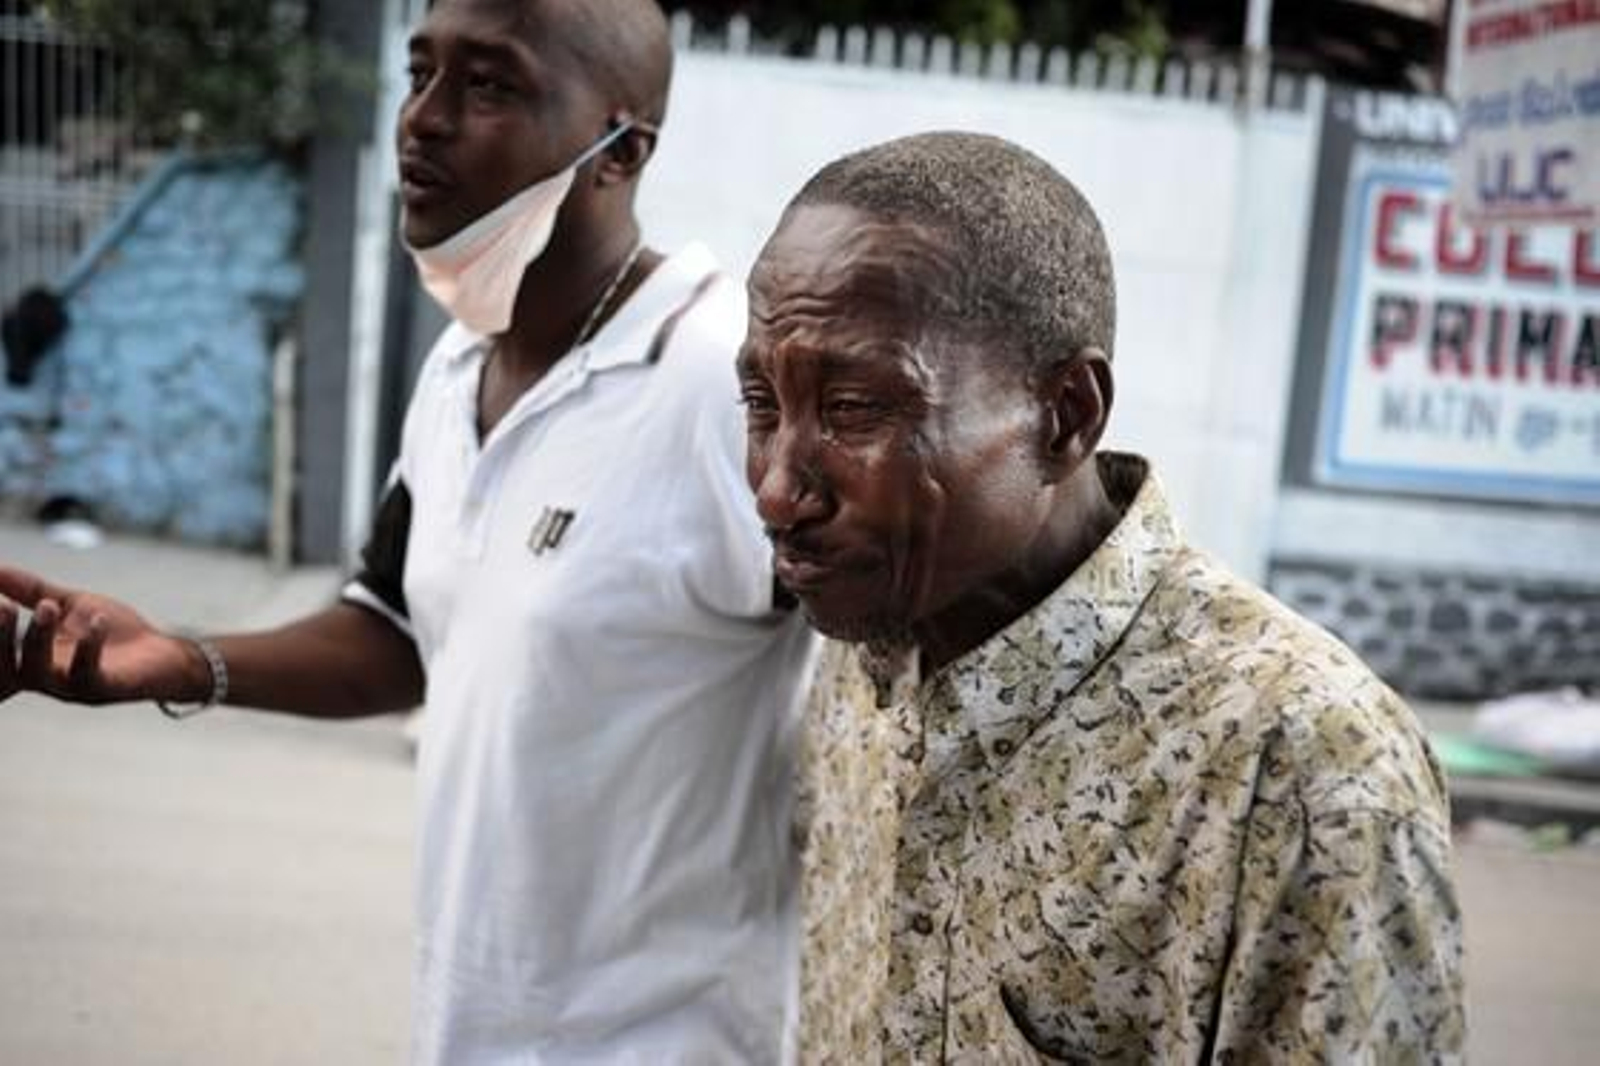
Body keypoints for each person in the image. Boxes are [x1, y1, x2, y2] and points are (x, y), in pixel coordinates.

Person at [0, 0, 814, 1061]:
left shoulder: (723, 384)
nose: (421, 121)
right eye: (418, 74)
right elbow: (398, 628)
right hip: (467, 1030)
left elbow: (873, 682)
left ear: (622, 151)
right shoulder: (459, 368)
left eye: (487, 85)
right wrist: (179, 658)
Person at [735, 131, 1465, 1062]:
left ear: (1066, 415)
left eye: (854, 411)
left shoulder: (1302, 764)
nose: (776, 489)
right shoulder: (867, 649)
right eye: (763, 406)